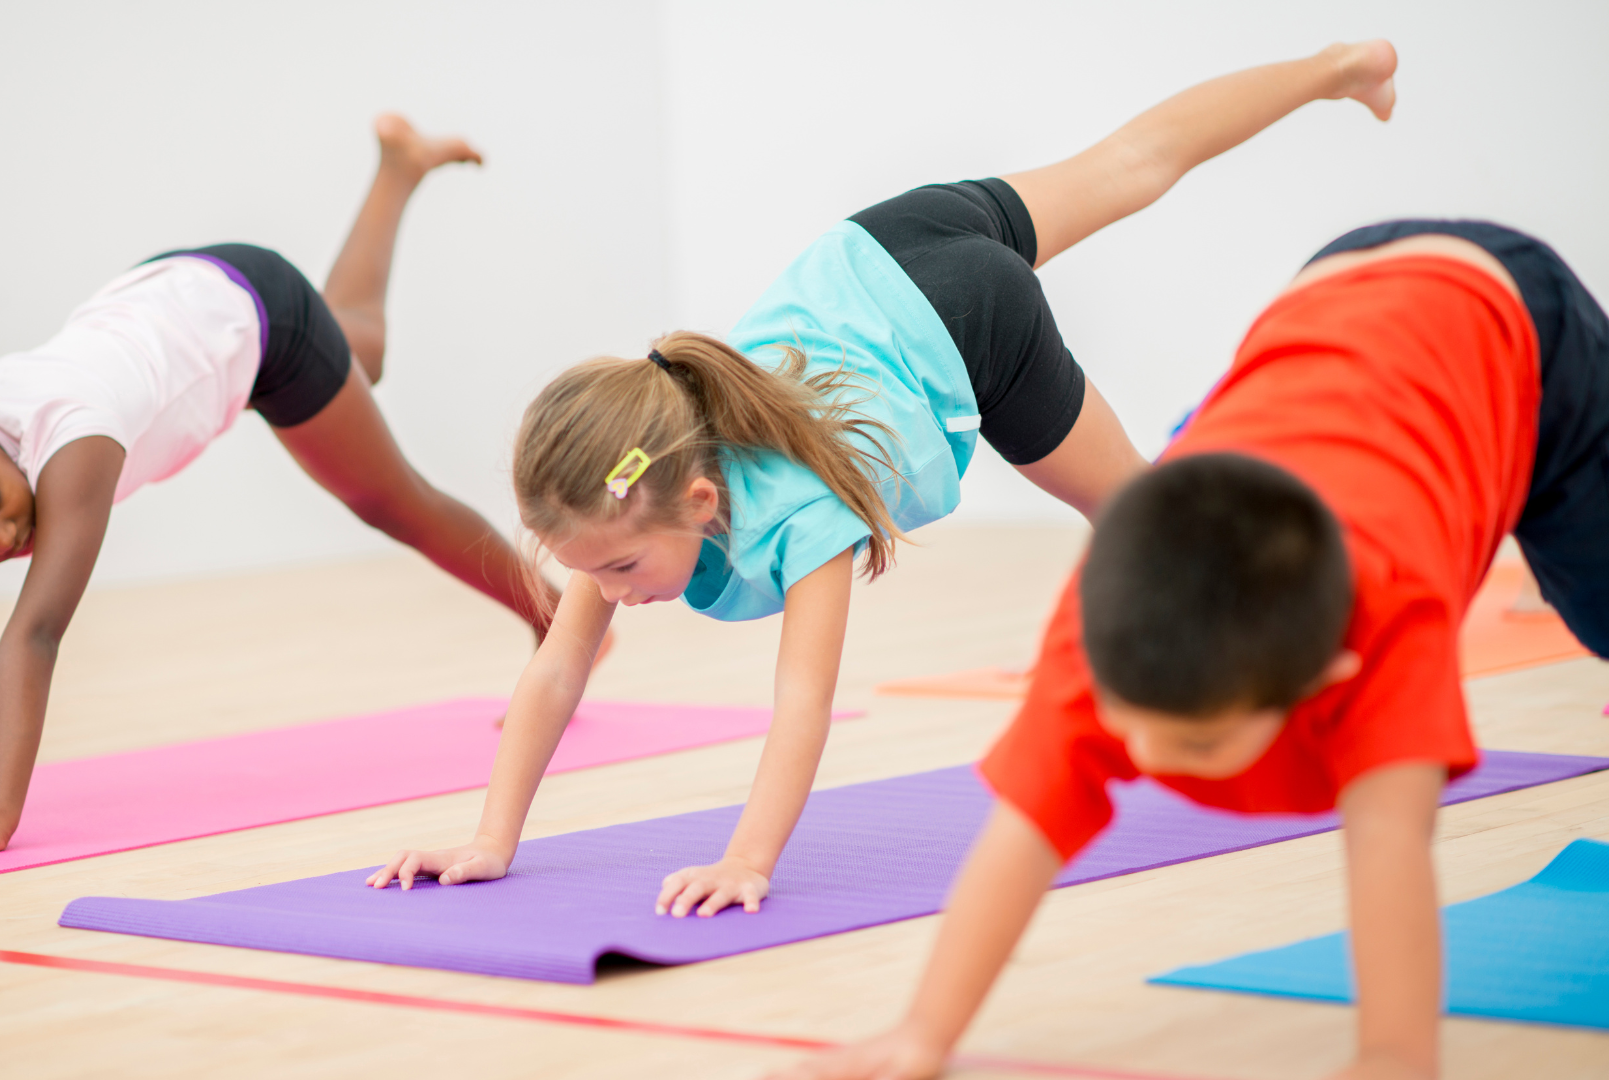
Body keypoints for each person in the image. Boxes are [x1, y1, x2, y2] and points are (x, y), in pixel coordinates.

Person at [365, 43, 1404, 918]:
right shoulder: (629, 490)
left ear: (698, 500)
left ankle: (1231, 445)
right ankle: (1339, 68)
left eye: (624, 569)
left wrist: (749, 861)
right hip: (878, 248)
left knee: (1141, 516)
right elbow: (555, 671)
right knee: (1131, 162)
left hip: (968, 319)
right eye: (593, 572)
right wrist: (490, 838)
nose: (614, 592)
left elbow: (803, 703)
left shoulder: (794, 511)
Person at [772, 219, 1607, 1080]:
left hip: (1511, 322)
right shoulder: (1116, 615)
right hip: (1333, 292)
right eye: (1126, 726)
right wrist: (922, 1034)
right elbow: (1023, 829)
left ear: (1330, 675)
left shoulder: (1392, 622)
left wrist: (1394, 1055)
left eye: (1198, 741)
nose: (1145, 761)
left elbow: (1390, 840)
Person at [0, 116, 555, 861]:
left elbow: (34, 634)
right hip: (168, 295)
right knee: (361, 346)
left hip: (255, 316)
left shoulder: (76, 444)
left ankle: (555, 619)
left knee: (388, 498)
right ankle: (399, 168)